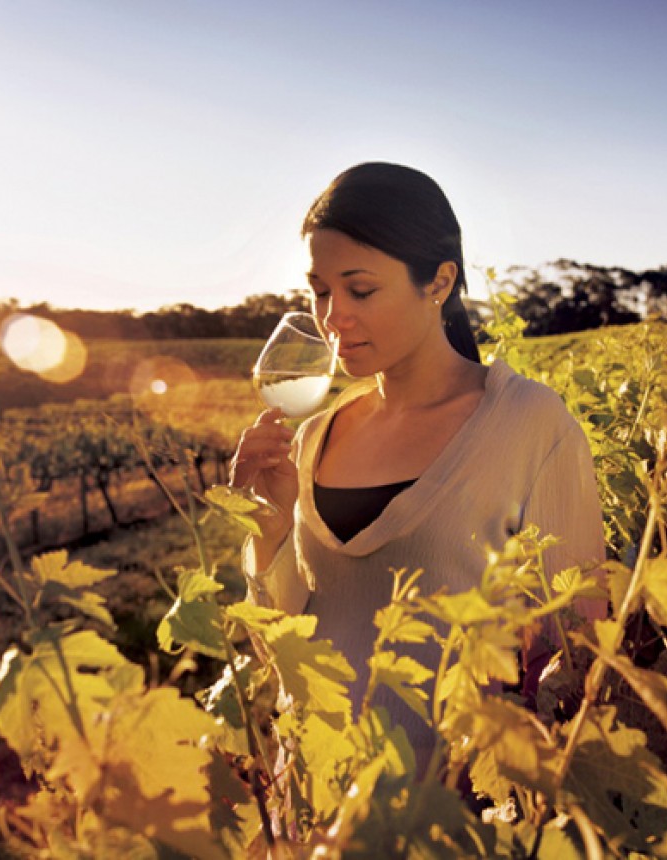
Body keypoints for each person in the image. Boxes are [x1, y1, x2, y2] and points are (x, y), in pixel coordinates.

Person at [230, 161, 606, 774]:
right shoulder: (311, 438)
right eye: (320, 291)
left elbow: (578, 654)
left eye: (360, 289)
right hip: (316, 810)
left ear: (438, 281)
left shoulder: (530, 424)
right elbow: (284, 654)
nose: (331, 319)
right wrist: (268, 530)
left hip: (453, 818)